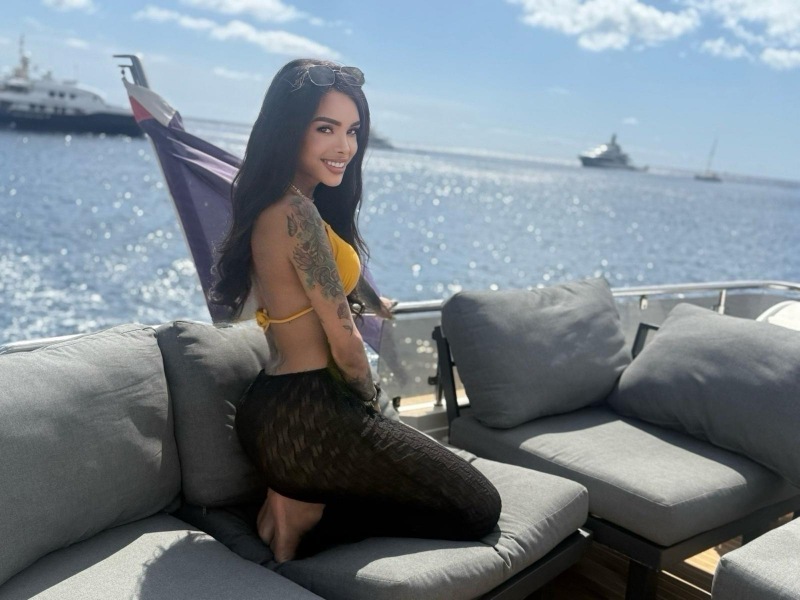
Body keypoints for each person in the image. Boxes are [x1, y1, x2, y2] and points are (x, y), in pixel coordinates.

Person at [211, 58, 501, 563]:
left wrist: (373, 301)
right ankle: (308, 516)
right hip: (310, 413)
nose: (344, 146)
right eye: (325, 128)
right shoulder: (296, 213)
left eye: (352, 130)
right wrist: (369, 401)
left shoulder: (283, 205)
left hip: (274, 407)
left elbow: (320, 277)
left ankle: (295, 495)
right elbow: (343, 338)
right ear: (288, 129)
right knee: (479, 506)